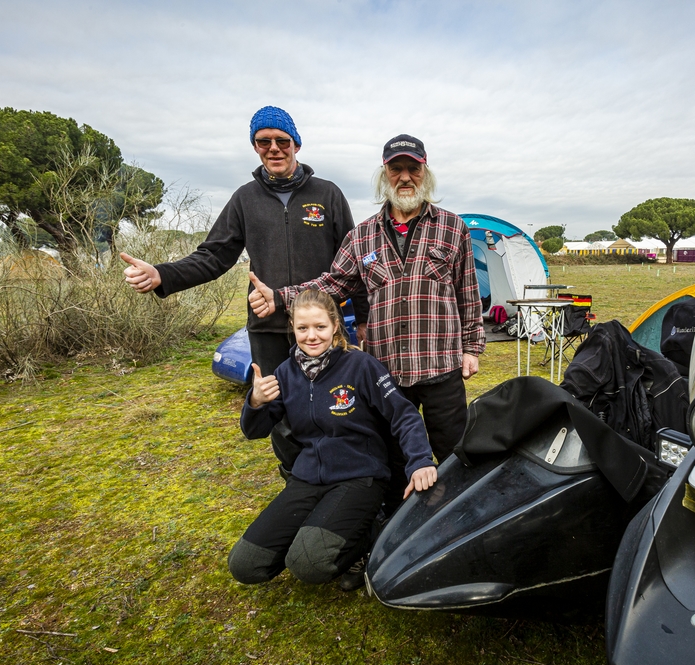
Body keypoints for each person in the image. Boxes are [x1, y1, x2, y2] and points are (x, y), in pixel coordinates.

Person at [119, 105, 367, 468]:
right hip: (268, 328)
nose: (274, 148)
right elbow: (213, 256)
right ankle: (297, 477)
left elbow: (354, 262)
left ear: (297, 144)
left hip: (321, 324)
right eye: (263, 141)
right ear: (254, 146)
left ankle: (345, 474)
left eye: (282, 140)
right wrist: (162, 274)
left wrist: (362, 318)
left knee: (336, 401)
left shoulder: (327, 195)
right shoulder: (244, 199)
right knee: (281, 409)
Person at [246, 134, 486, 463]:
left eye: (413, 169)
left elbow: (467, 293)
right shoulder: (362, 235)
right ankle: (399, 513)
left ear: (425, 173)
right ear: (384, 174)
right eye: (396, 169)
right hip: (385, 373)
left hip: (441, 367)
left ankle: (456, 513)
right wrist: (280, 297)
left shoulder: (452, 227)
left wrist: (472, 348)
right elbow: (332, 283)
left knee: (454, 455)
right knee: (392, 455)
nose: (404, 177)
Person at [228, 288, 437, 592]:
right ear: (293, 328)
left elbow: (403, 415)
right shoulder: (286, 373)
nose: (311, 336)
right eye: (302, 328)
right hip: (308, 478)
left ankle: (370, 537)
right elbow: (254, 430)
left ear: (335, 326)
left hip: (359, 476)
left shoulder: (360, 366)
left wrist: (420, 461)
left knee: (309, 564)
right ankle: (311, 536)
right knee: (245, 564)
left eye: (320, 327)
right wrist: (256, 401)